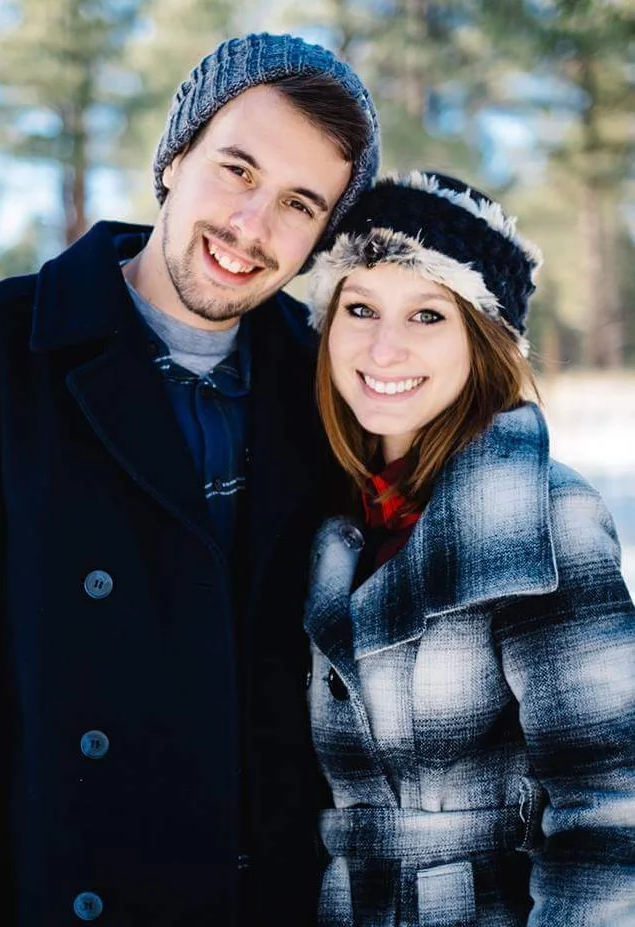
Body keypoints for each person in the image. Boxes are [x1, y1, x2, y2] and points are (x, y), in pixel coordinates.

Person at [0, 33, 380, 927]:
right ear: (176, 157)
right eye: (237, 170)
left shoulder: (333, 387)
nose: (252, 226)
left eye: (299, 204)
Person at [304, 172, 635, 925]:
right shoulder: (336, 526)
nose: (384, 347)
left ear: (483, 342)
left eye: (427, 314)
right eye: (360, 308)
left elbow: (613, 813)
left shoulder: (541, 514)